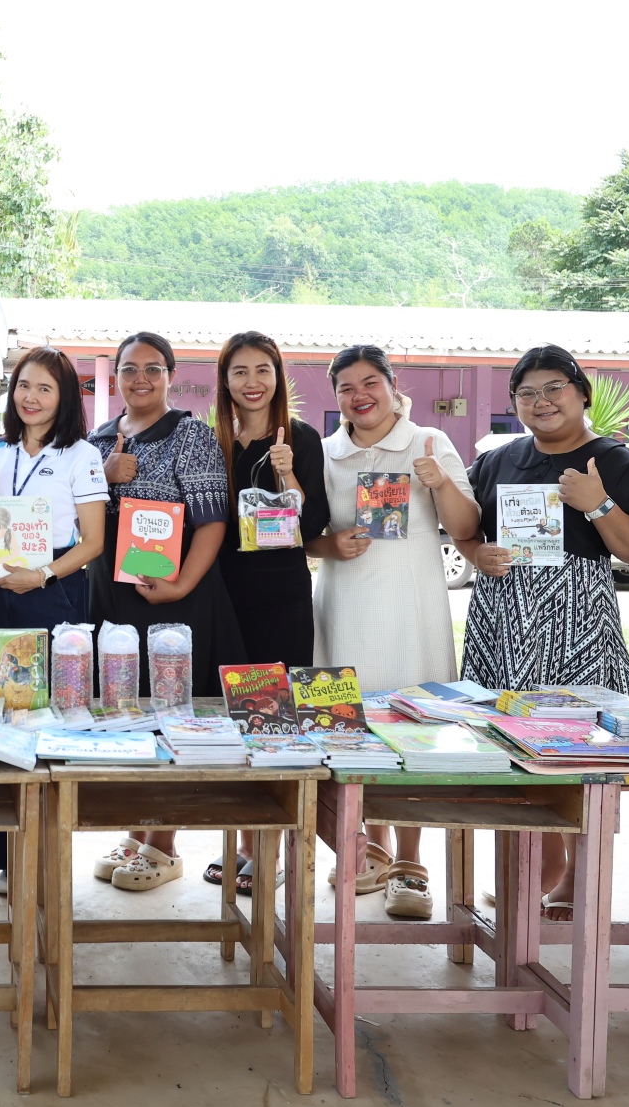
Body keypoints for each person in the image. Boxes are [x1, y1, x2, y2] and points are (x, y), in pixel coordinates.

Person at [456, 345, 629, 921]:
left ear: (582, 394)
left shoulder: (615, 462)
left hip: (576, 616)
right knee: (508, 738)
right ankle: (536, 864)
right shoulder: (498, 460)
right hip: (504, 614)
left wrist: (598, 504)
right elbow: (466, 528)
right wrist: (476, 553)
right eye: (527, 393)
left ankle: (578, 873)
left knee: (584, 745)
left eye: (554, 388)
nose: (541, 401)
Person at [309, 344, 479, 919]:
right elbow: (302, 532)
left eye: (370, 383)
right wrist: (329, 545)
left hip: (411, 610)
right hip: (343, 608)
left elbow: (466, 526)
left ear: (392, 385)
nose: (359, 396)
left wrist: (440, 484)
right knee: (347, 725)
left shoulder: (428, 441)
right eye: (346, 388)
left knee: (414, 731)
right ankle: (369, 845)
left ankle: (411, 860)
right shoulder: (324, 452)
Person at [85, 331, 245, 894]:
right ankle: (138, 829)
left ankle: (166, 842)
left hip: (176, 597)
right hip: (112, 595)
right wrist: (105, 477)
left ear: (170, 376)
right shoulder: (97, 439)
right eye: (130, 368)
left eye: (153, 368)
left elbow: (212, 522)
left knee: (172, 709)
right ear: (116, 377)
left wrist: (180, 586)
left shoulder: (190, 435)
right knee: (128, 707)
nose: (141, 379)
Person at [0, 345, 109, 894]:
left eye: (45, 388)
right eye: (24, 386)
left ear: (65, 396)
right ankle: (6, 859)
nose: (31, 397)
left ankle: (48, 855)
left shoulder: (81, 456)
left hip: (53, 591)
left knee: (48, 720)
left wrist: (44, 575)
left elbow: (93, 542)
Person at [209, 331, 331, 897]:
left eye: (263, 370)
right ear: (225, 380)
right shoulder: (211, 440)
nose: (252, 382)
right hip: (222, 593)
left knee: (275, 721)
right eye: (240, 371)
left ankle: (271, 850)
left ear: (279, 377)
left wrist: (287, 474)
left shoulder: (300, 438)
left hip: (280, 596)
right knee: (232, 719)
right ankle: (239, 841)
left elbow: (313, 524)